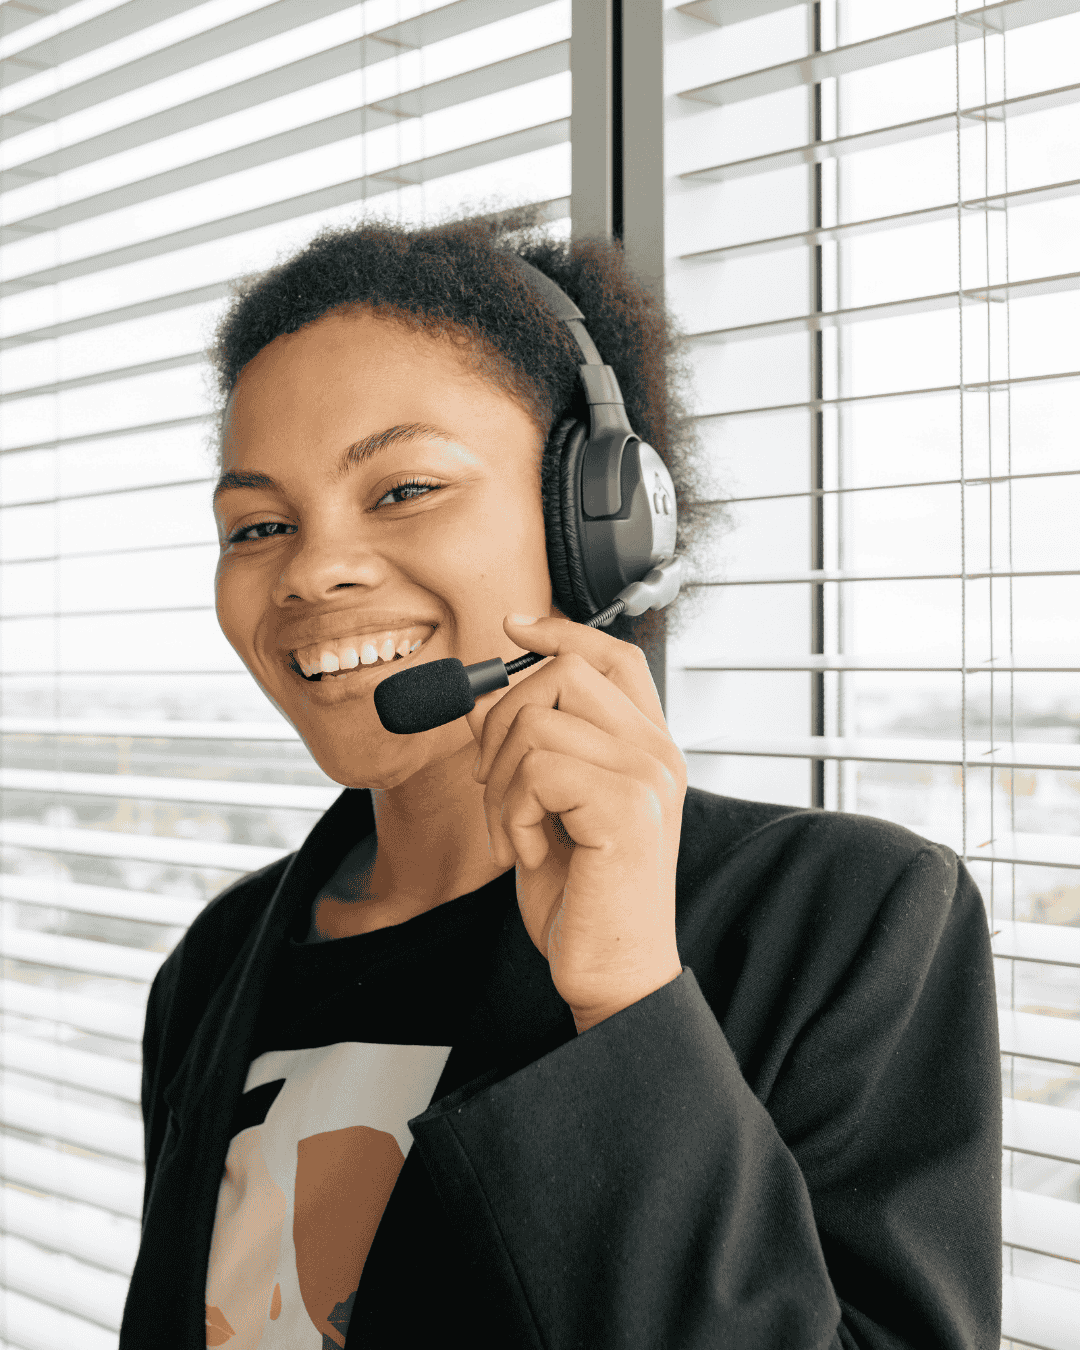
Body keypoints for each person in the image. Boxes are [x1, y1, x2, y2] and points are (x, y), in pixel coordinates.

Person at [119, 210, 1002, 1350]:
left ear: (598, 522)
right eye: (258, 524)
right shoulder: (218, 962)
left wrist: (629, 1000)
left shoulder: (846, 919)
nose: (312, 570)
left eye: (402, 491)